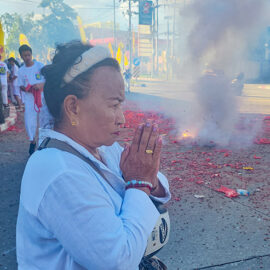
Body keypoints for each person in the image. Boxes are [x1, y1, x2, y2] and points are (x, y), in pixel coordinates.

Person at [16, 41, 171, 270]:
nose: (122, 119)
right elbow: (117, 260)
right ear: (73, 107)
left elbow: (156, 185)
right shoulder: (58, 171)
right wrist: (139, 183)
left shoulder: (104, 148)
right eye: (114, 105)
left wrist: (146, 178)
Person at [17, 44, 46, 155]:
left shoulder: (40, 66)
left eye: (29, 55)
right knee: (29, 121)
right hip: (29, 99)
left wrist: (40, 85)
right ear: (21, 56)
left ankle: (43, 143)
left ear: (31, 54)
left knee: (44, 120)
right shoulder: (21, 71)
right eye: (25, 55)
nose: (27, 57)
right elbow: (20, 85)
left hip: (42, 98)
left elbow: (47, 80)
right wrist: (27, 89)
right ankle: (32, 141)